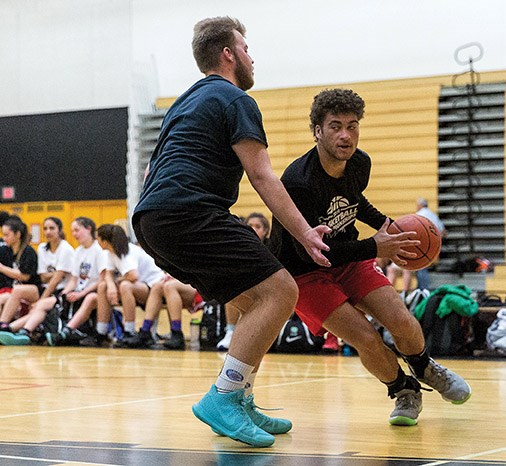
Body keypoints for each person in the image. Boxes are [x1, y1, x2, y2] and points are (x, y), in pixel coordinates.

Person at [131, 17, 330, 448]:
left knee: (250, 299)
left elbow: (150, 169)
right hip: (188, 211)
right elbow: (262, 176)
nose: (251, 56)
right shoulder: (233, 97)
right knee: (281, 291)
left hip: (152, 219)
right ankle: (223, 396)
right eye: (245, 46)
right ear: (228, 54)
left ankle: (239, 395)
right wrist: (304, 233)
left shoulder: (185, 103)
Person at [269, 88, 471, 427]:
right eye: (335, 126)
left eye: (352, 125)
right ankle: (404, 389)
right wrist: (376, 247)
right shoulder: (298, 182)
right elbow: (317, 250)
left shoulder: (359, 162)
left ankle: (424, 366)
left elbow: (354, 201)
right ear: (317, 130)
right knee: (365, 338)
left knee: (403, 321)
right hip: (304, 271)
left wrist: (385, 225)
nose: (346, 135)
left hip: (350, 258)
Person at [0, 217, 74, 345]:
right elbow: (43, 277)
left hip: (60, 291)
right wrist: (58, 273)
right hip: (43, 288)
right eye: (45, 228)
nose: (48, 232)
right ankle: (3, 324)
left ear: (59, 230)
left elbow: (55, 281)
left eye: (52, 228)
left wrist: (41, 299)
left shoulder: (66, 249)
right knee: (18, 290)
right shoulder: (42, 248)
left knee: (38, 308)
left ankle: (12, 330)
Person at [96, 224, 165, 346]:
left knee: (125, 285)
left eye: (98, 239)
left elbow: (133, 276)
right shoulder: (110, 252)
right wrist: (111, 286)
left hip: (153, 287)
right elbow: (108, 273)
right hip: (139, 287)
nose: (97, 241)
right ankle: (101, 332)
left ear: (105, 241)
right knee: (103, 286)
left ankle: (129, 331)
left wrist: (117, 281)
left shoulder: (126, 252)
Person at [42, 217, 107, 346]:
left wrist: (81, 293)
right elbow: (74, 279)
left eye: (77, 230)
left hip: (95, 292)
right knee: (52, 302)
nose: (74, 234)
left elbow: (102, 279)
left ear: (88, 229)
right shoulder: (78, 251)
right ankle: (29, 331)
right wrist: (63, 294)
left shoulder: (99, 250)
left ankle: (67, 332)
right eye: (72, 231)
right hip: (79, 292)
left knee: (88, 299)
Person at [216, 212, 271, 351]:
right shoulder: (237, 247)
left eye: (257, 226)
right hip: (247, 290)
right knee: (231, 288)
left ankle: (261, 337)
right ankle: (230, 332)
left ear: (265, 231)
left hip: (268, 292)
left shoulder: (271, 248)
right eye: (250, 226)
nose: (253, 229)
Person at [121, 274, 198, 350]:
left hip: (202, 287)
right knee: (157, 286)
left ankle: (177, 332)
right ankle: (145, 332)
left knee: (169, 286)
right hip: (188, 283)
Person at [386, 198, 447, 292]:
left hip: (416, 248)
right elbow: (443, 232)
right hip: (431, 250)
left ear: (420, 205)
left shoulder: (419, 216)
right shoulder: (433, 215)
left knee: (405, 268)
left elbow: (412, 232)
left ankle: (401, 294)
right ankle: (420, 291)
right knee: (420, 268)